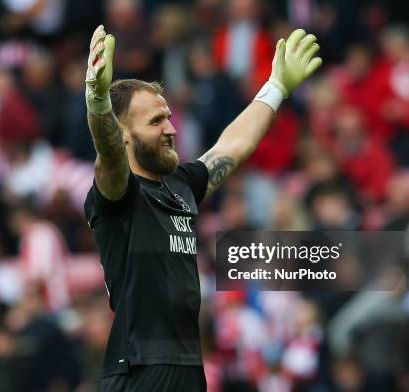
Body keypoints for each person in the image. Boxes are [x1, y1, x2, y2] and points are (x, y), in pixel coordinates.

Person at [83, 24, 322, 391]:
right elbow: (109, 156)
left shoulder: (180, 185)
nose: (172, 129)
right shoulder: (120, 195)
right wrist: (98, 105)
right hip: (141, 368)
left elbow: (231, 148)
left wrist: (276, 88)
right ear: (124, 133)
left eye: (169, 117)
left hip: (188, 365)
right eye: (156, 121)